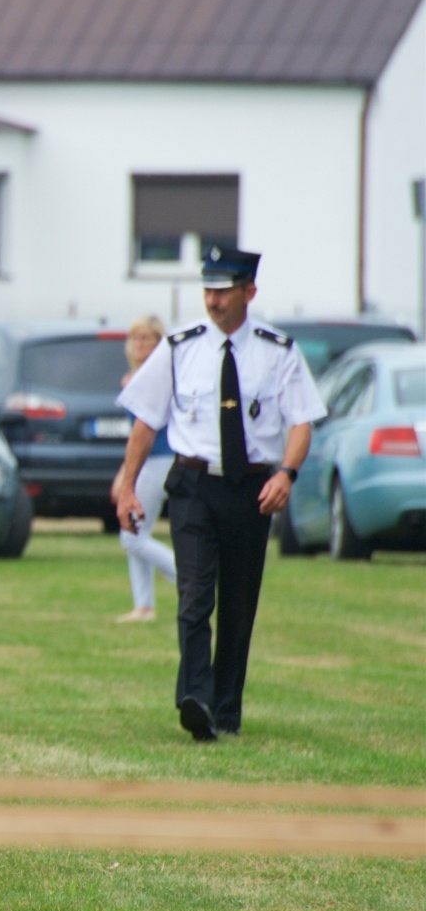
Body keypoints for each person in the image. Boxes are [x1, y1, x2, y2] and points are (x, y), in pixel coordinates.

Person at [114, 248, 324, 742]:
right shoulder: (179, 346)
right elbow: (146, 420)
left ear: (249, 292)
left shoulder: (278, 351)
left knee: (238, 602)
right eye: (207, 290)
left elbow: (301, 422)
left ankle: (225, 710)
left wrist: (287, 474)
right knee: (194, 596)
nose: (213, 300)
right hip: (193, 486)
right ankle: (195, 698)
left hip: (252, 489)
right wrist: (126, 484)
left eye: (223, 290)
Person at [112, 315, 176, 623]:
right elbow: (134, 437)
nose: (140, 343)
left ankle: (186, 576)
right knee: (137, 533)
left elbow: (150, 430)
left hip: (161, 459)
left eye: (147, 338)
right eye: (135, 337)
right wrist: (124, 475)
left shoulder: (160, 375)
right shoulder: (131, 377)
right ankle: (144, 606)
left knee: (133, 536)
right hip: (144, 461)